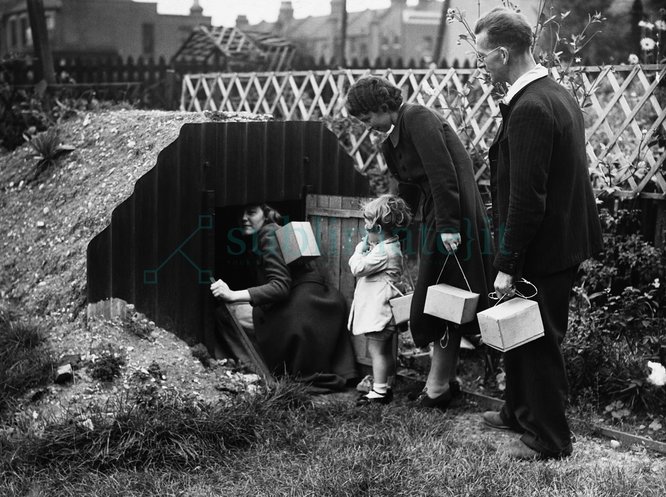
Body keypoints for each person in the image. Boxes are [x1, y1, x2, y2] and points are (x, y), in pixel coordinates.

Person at [474, 8, 603, 460]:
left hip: (544, 246)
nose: (481, 63)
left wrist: (508, 263)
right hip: (559, 238)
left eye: (482, 55)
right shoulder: (554, 92)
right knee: (519, 327)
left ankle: (549, 438)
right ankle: (518, 411)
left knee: (539, 339)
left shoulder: (531, 106)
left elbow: (528, 198)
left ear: (502, 53)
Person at [346, 76, 494, 409]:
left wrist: (449, 227)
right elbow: (407, 193)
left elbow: (444, 174)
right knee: (446, 298)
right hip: (437, 219)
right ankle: (444, 381)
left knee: (442, 299)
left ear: (383, 105)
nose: (367, 126)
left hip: (455, 219)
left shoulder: (418, 118)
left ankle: (438, 386)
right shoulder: (392, 141)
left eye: (368, 117)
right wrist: (391, 229)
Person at [211, 204, 358, 392]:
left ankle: (262, 373)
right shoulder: (278, 230)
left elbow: (280, 287)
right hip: (321, 303)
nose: (244, 218)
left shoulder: (268, 235)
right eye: (240, 212)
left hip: (303, 310)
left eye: (251, 212)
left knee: (225, 314)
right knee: (240, 309)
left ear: (266, 214)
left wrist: (232, 294)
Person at [348, 194, 413, 405]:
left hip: (380, 311)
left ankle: (379, 391)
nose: (364, 227)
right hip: (384, 309)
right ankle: (384, 386)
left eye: (366, 223)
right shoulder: (389, 246)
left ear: (376, 228)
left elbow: (357, 268)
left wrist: (359, 249)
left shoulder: (384, 252)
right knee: (382, 351)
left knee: (376, 352)